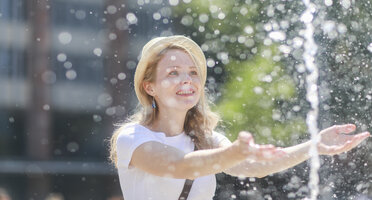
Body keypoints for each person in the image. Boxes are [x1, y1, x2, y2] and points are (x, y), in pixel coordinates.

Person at [109, 35, 370, 200]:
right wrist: (235, 151)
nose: (187, 80)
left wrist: (314, 146)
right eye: (173, 73)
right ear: (149, 87)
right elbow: (181, 166)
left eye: (192, 72)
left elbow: (255, 168)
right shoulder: (132, 138)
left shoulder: (205, 139)